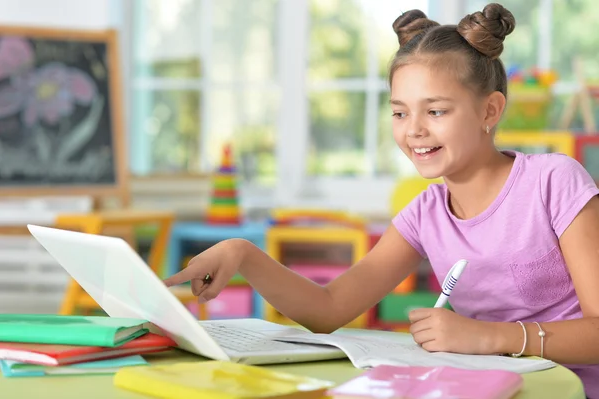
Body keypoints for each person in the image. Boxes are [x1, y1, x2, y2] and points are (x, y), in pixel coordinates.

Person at [164, 3, 599, 397]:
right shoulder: (424, 216)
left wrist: (491, 337)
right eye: (399, 112)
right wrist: (242, 254)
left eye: (436, 111)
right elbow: (328, 309)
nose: (413, 130)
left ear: (490, 111)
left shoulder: (553, 182)